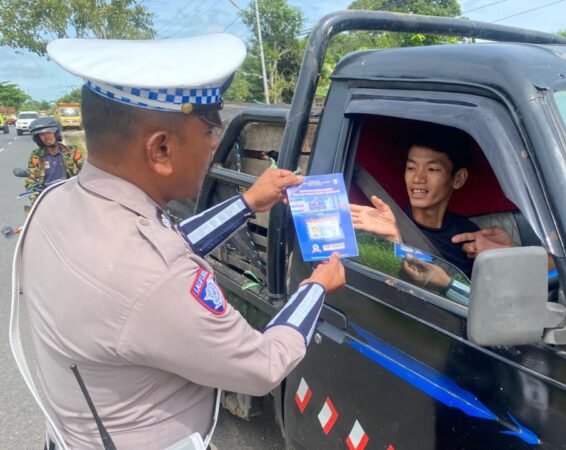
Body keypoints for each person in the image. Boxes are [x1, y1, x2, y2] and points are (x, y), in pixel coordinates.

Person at [15, 33, 345, 449]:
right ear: (162, 149)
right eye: (210, 131)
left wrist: (245, 203)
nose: (214, 146)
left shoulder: (56, 202)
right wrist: (316, 288)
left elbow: (165, 247)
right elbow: (261, 365)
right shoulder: (153, 276)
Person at [350, 126, 515, 276]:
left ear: (458, 179)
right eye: (411, 168)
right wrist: (394, 241)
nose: (418, 178)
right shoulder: (385, 226)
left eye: (432, 169)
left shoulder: (467, 234)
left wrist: (510, 252)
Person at [24, 116, 85, 202]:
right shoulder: (36, 155)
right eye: (42, 134)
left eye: (49, 132)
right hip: (47, 197)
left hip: (70, 195)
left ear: (56, 133)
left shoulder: (71, 151)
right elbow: (31, 180)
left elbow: (84, 170)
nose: (46, 137)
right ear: (38, 138)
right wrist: (35, 198)